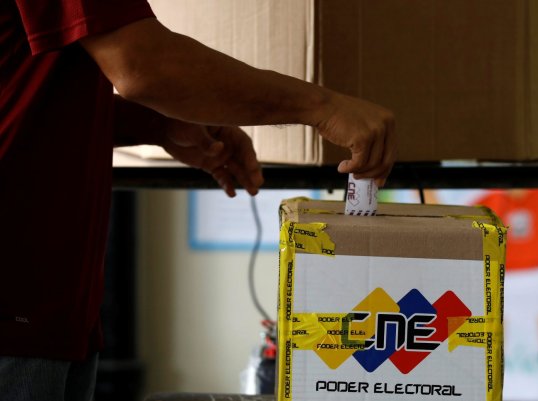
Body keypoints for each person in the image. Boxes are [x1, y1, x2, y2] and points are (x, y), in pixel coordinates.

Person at [0, 1, 395, 400]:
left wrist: (160, 125)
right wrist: (323, 107)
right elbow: (141, 65)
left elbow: (32, 84)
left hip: (51, 305)